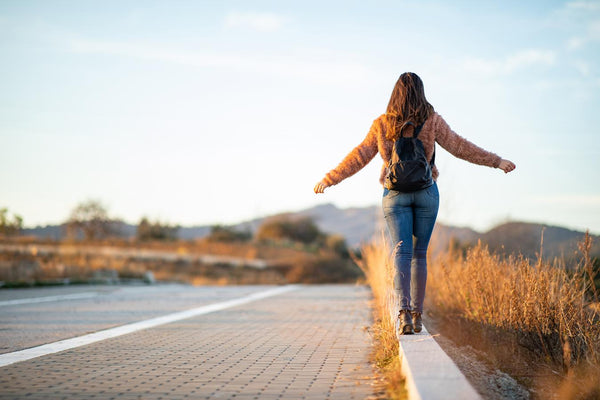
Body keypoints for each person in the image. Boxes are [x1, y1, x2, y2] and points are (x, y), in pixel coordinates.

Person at [313, 72, 515, 336]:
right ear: (421, 92)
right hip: (426, 192)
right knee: (419, 255)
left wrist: (330, 179)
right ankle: (418, 317)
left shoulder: (382, 124)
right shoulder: (432, 120)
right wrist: (496, 161)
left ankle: (403, 315)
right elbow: (459, 146)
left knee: (401, 253)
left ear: (394, 94)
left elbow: (360, 155)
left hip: (394, 194)